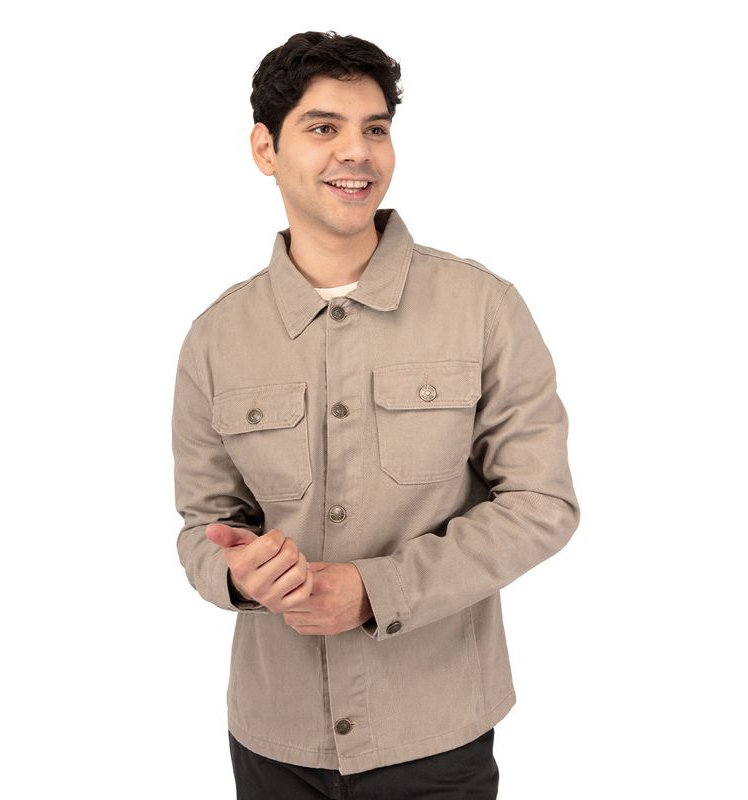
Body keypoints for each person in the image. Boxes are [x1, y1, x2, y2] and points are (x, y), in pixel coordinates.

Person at [171, 30, 580, 799]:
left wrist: (378, 590)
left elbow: (541, 505)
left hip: (435, 732)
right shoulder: (215, 338)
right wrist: (235, 574)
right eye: (323, 127)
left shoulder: (483, 308)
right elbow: (203, 524)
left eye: (376, 128)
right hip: (273, 736)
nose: (356, 152)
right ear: (265, 148)